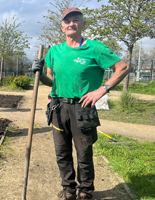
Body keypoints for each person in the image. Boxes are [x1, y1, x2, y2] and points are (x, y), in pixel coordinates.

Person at [32, 7, 130, 200]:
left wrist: (102, 89)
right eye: (67, 22)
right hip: (58, 107)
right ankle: (68, 189)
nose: (71, 24)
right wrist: (40, 73)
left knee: (84, 153)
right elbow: (51, 81)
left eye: (76, 20)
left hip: (83, 108)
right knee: (62, 152)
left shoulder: (95, 48)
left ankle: (85, 191)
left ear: (83, 24)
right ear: (62, 27)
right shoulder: (55, 51)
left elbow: (123, 67)